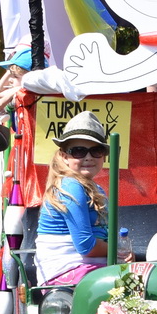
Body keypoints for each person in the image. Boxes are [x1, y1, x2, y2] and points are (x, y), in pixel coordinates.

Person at [37, 112, 114, 287]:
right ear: (64, 156)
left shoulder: (95, 188)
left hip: (86, 268)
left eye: (96, 151)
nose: (88, 157)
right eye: (78, 151)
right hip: (66, 273)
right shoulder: (71, 186)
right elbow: (86, 245)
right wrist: (120, 249)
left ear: (103, 156)